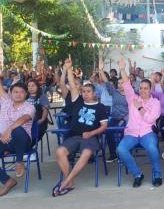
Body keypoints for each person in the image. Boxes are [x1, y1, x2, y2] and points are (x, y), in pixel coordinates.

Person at [53, 56, 108, 196]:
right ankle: (69, 182)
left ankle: (65, 183)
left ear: (94, 93)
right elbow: (71, 85)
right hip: (74, 136)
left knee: (85, 154)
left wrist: (91, 133)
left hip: (90, 138)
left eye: (88, 91)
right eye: (83, 91)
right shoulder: (78, 102)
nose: (85, 94)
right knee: (59, 152)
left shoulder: (100, 107)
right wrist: (69, 68)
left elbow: (104, 127)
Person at [116, 58, 162, 187]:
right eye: (141, 88)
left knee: (153, 149)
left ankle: (157, 174)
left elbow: (149, 119)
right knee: (121, 149)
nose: (142, 91)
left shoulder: (155, 103)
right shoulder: (133, 98)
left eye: (146, 88)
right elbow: (126, 84)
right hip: (132, 133)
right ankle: (137, 174)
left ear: (150, 89)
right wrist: (122, 69)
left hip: (148, 132)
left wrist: (140, 108)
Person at [0, 82, 35, 196]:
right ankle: (8, 181)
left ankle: (19, 162)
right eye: (15, 92)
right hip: (4, 140)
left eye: (22, 92)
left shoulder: (29, 106)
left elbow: (25, 118)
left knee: (17, 130)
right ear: (10, 93)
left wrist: (9, 130)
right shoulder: (6, 102)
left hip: (23, 143)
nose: (18, 94)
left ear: (26, 94)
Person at [99, 59, 128, 163]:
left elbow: (132, 110)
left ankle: (123, 154)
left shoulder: (131, 94)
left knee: (124, 132)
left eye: (122, 82)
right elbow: (107, 82)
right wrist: (101, 70)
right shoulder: (114, 92)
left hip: (126, 119)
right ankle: (113, 154)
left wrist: (123, 119)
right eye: (119, 83)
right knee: (108, 131)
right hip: (115, 118)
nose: (120, 85)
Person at [26, 79, 50, 145]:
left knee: (30, 137)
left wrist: (42, 119)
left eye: (33, 86)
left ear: (37, 87)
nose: (31, 88)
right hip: (26, 122)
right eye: (29, 86)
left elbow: (45, 109)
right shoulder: (25, 97)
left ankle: (29, 149)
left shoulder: (42, 97)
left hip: (38, 123)